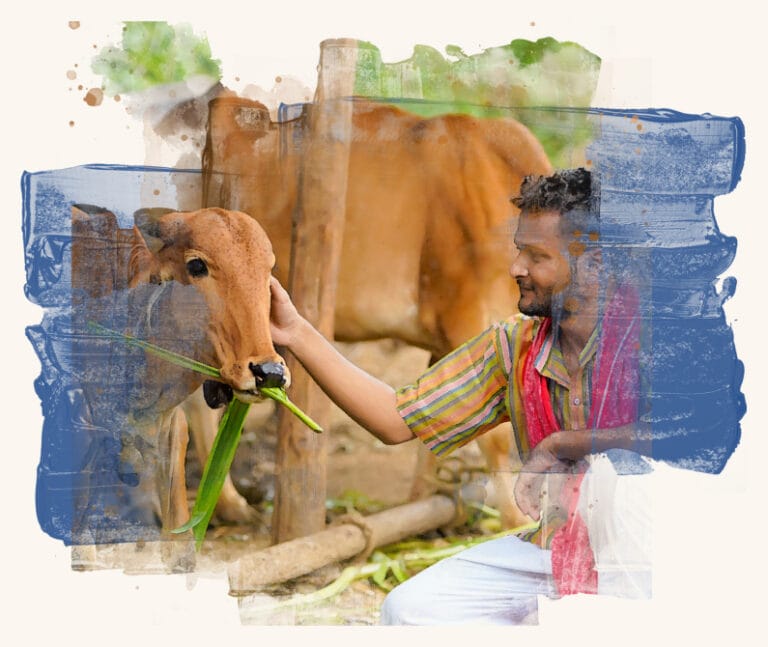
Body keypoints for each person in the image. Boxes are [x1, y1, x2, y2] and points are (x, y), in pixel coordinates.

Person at [269, 168, 653, 624]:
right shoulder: (513, 348)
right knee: (410, 610)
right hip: (558, 550)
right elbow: (396, 418)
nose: (516, 269)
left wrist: (562, 444)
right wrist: (296, 332)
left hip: (659, 561)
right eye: (518, 252)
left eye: (537, 256)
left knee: (616, 484)